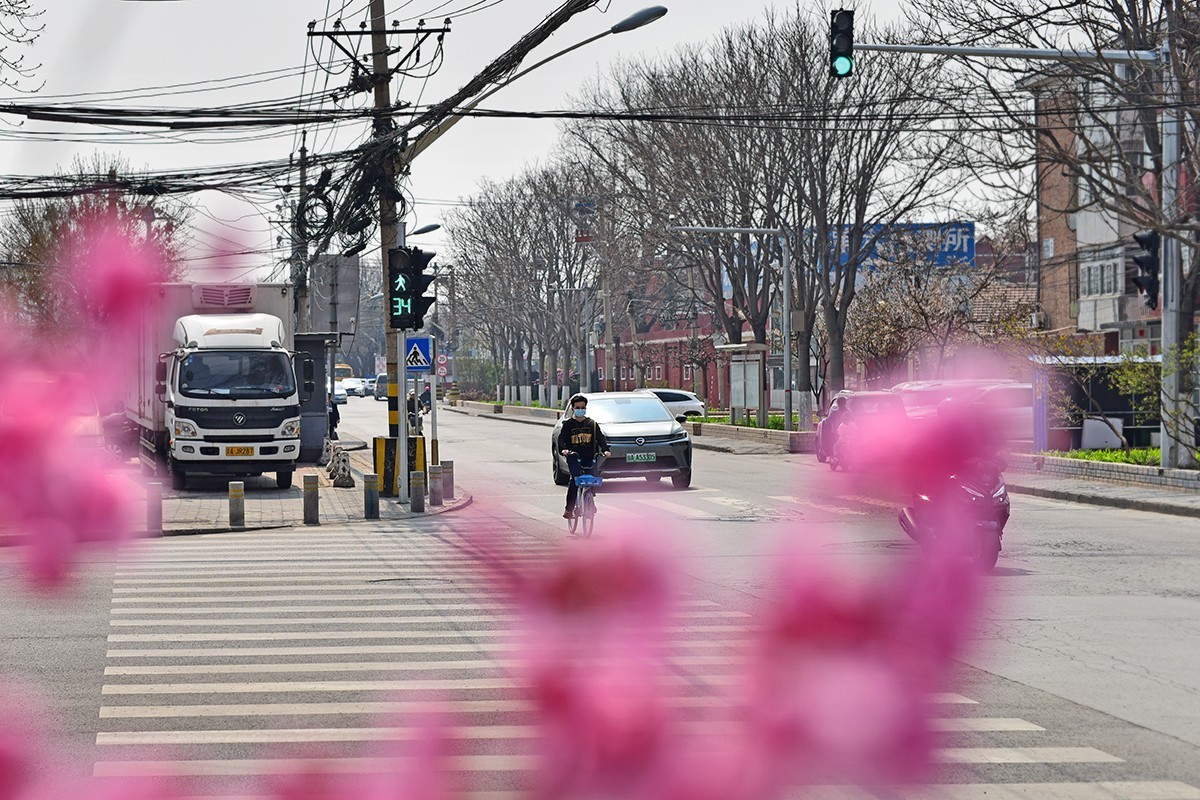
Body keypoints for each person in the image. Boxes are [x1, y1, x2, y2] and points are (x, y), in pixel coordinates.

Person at [557, 394, 610, 519]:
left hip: (590, 456)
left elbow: (600, 438)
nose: (580, 410)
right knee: (575, 481)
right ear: (573, 409)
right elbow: (561, 439)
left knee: (591, 479)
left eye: (583, 407)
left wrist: (605, 450)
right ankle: (569, 509)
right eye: (577, 408)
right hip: (574, 457)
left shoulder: (592, 424)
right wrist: (564, 450)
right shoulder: (568, 424)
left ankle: (590, 502)